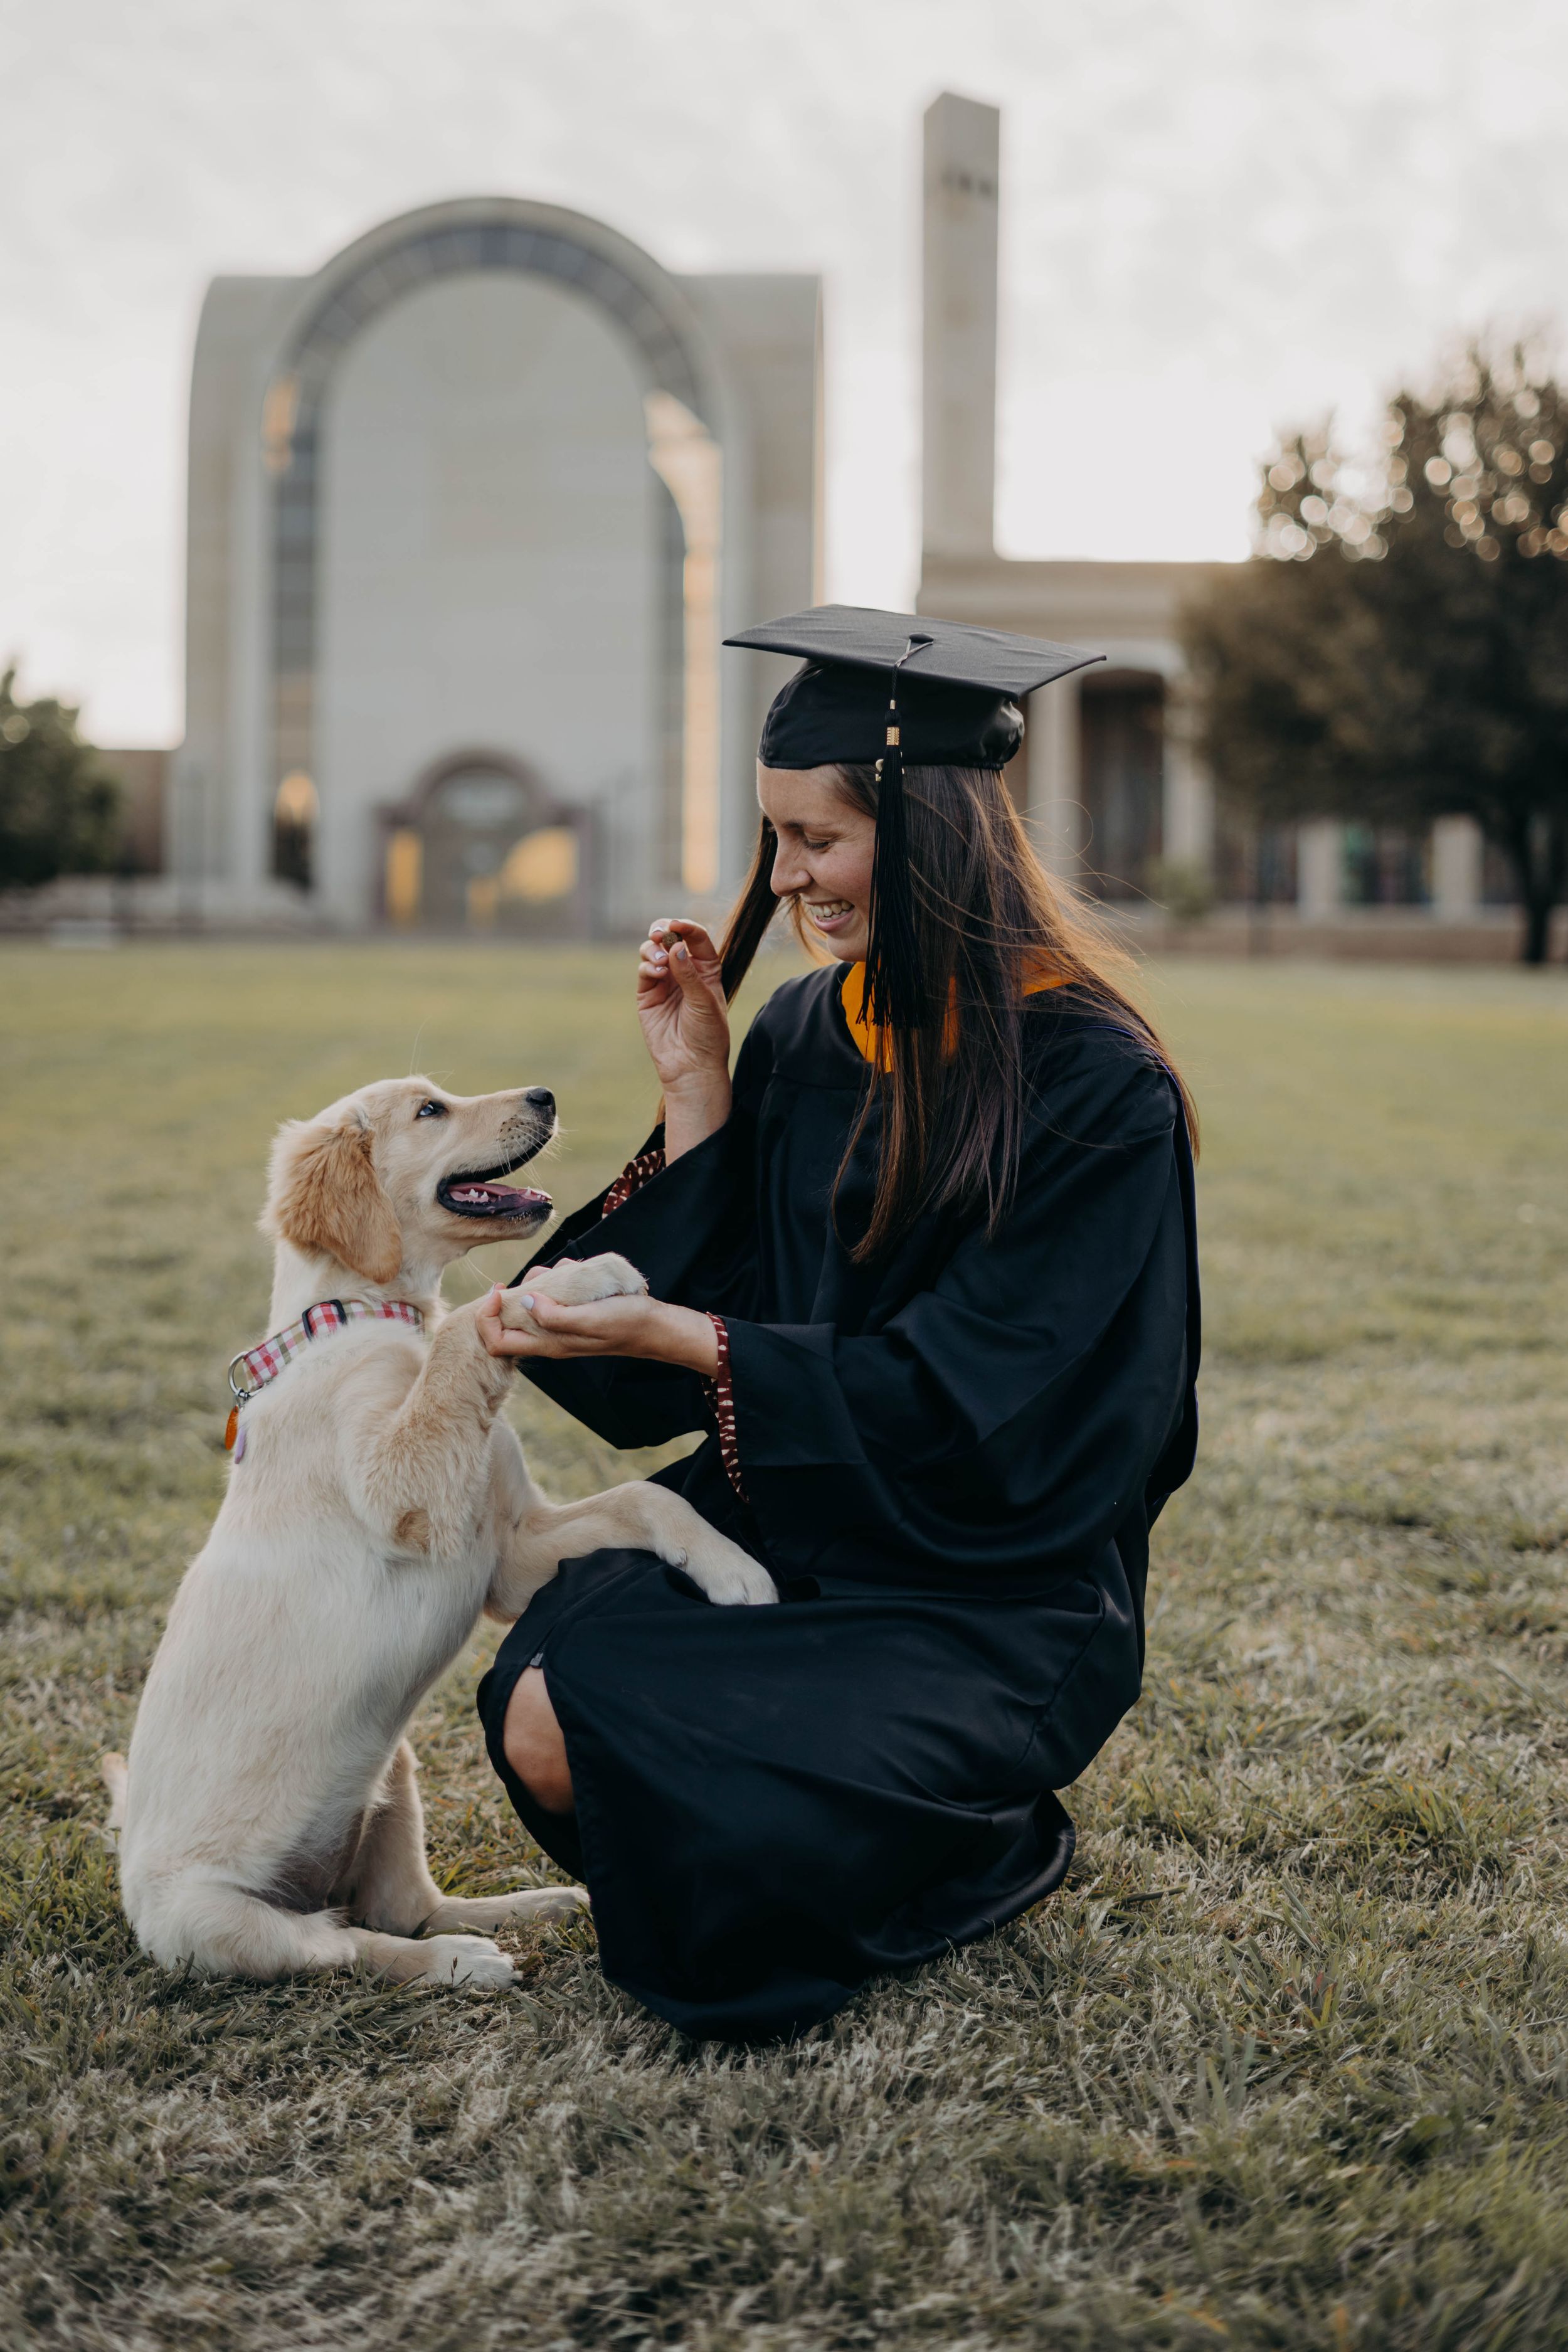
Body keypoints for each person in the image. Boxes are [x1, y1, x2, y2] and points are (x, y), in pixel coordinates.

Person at [474, 605, 1200, 2041]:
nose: (788, 879)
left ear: (928, 833)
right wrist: (696, 1092)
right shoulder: (810, 1033)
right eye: (775, 842)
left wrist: (694, 1345)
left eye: (819, 839)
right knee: (543, 1703)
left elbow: (989, 1402)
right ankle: (842, 1828)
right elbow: (738, 1297)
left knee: (624, 1738)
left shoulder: (1092, 1083)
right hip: (790, 1519)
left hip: (989, 1586)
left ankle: (977, 1837)